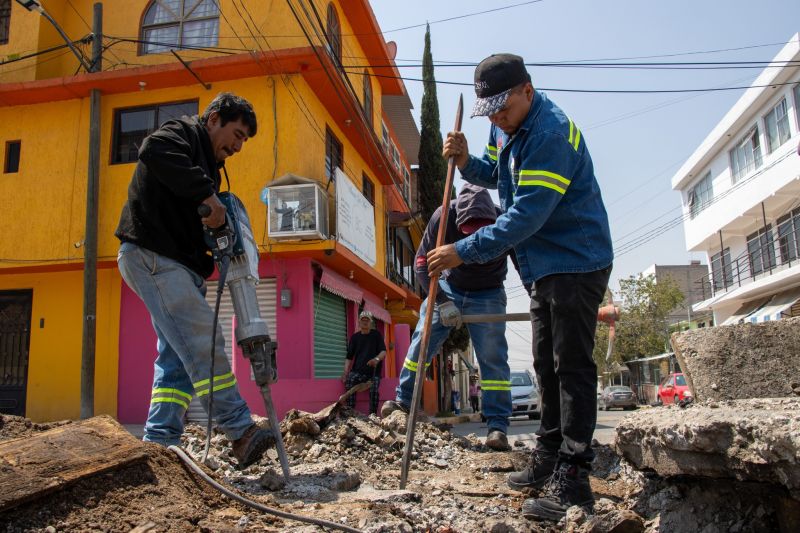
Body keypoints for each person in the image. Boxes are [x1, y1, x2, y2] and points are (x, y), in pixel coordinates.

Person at [432, 54, 614, 521]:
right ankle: (549, 457)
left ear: (527, 92)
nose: (496, 117)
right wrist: (467, 160)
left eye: (502, 107)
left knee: (571, 365)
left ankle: (574, 479)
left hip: (576, 260)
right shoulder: (503, 126)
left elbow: (524, 216)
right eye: (488, 110)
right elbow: (495, 176)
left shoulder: (550, 134)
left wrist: (462, 249)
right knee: (544, 365)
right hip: (541, 267)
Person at [115, 92, 274, 467]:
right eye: (236, 134)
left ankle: (158, 444)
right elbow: (152, 149)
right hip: (154, 256)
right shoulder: (182, 133)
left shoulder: (209, 168)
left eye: (243, 141)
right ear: (214, 118)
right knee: (203, 340)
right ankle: (239, 429)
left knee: (176, 359)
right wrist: (207, 195)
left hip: (175, 265)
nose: (237, 146)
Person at [381, 184, 514, 451]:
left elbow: (523, 260)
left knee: (493, 358)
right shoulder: (443, 216)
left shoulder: (504, 221)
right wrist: (441, 301)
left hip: (488, 291)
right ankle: (403, 401)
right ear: (459, 218)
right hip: (449, 287)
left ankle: (497, 425)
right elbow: (421, 262)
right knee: (422, 340)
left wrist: (537, 295)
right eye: (469, 232)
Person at [342, 311, 387, 415]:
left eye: (367, 320)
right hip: (357, 371)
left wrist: (376, 360)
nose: (365, 322)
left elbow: (383, 352)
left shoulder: (376, 335)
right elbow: (349, 357)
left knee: (374, 389)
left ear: (371, 323)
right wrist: (345, 372)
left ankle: (373, 415)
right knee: (350, 381)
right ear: (359, 322)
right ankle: (350, 412)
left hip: (373, 373)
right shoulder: (355, 337)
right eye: (363, 320)